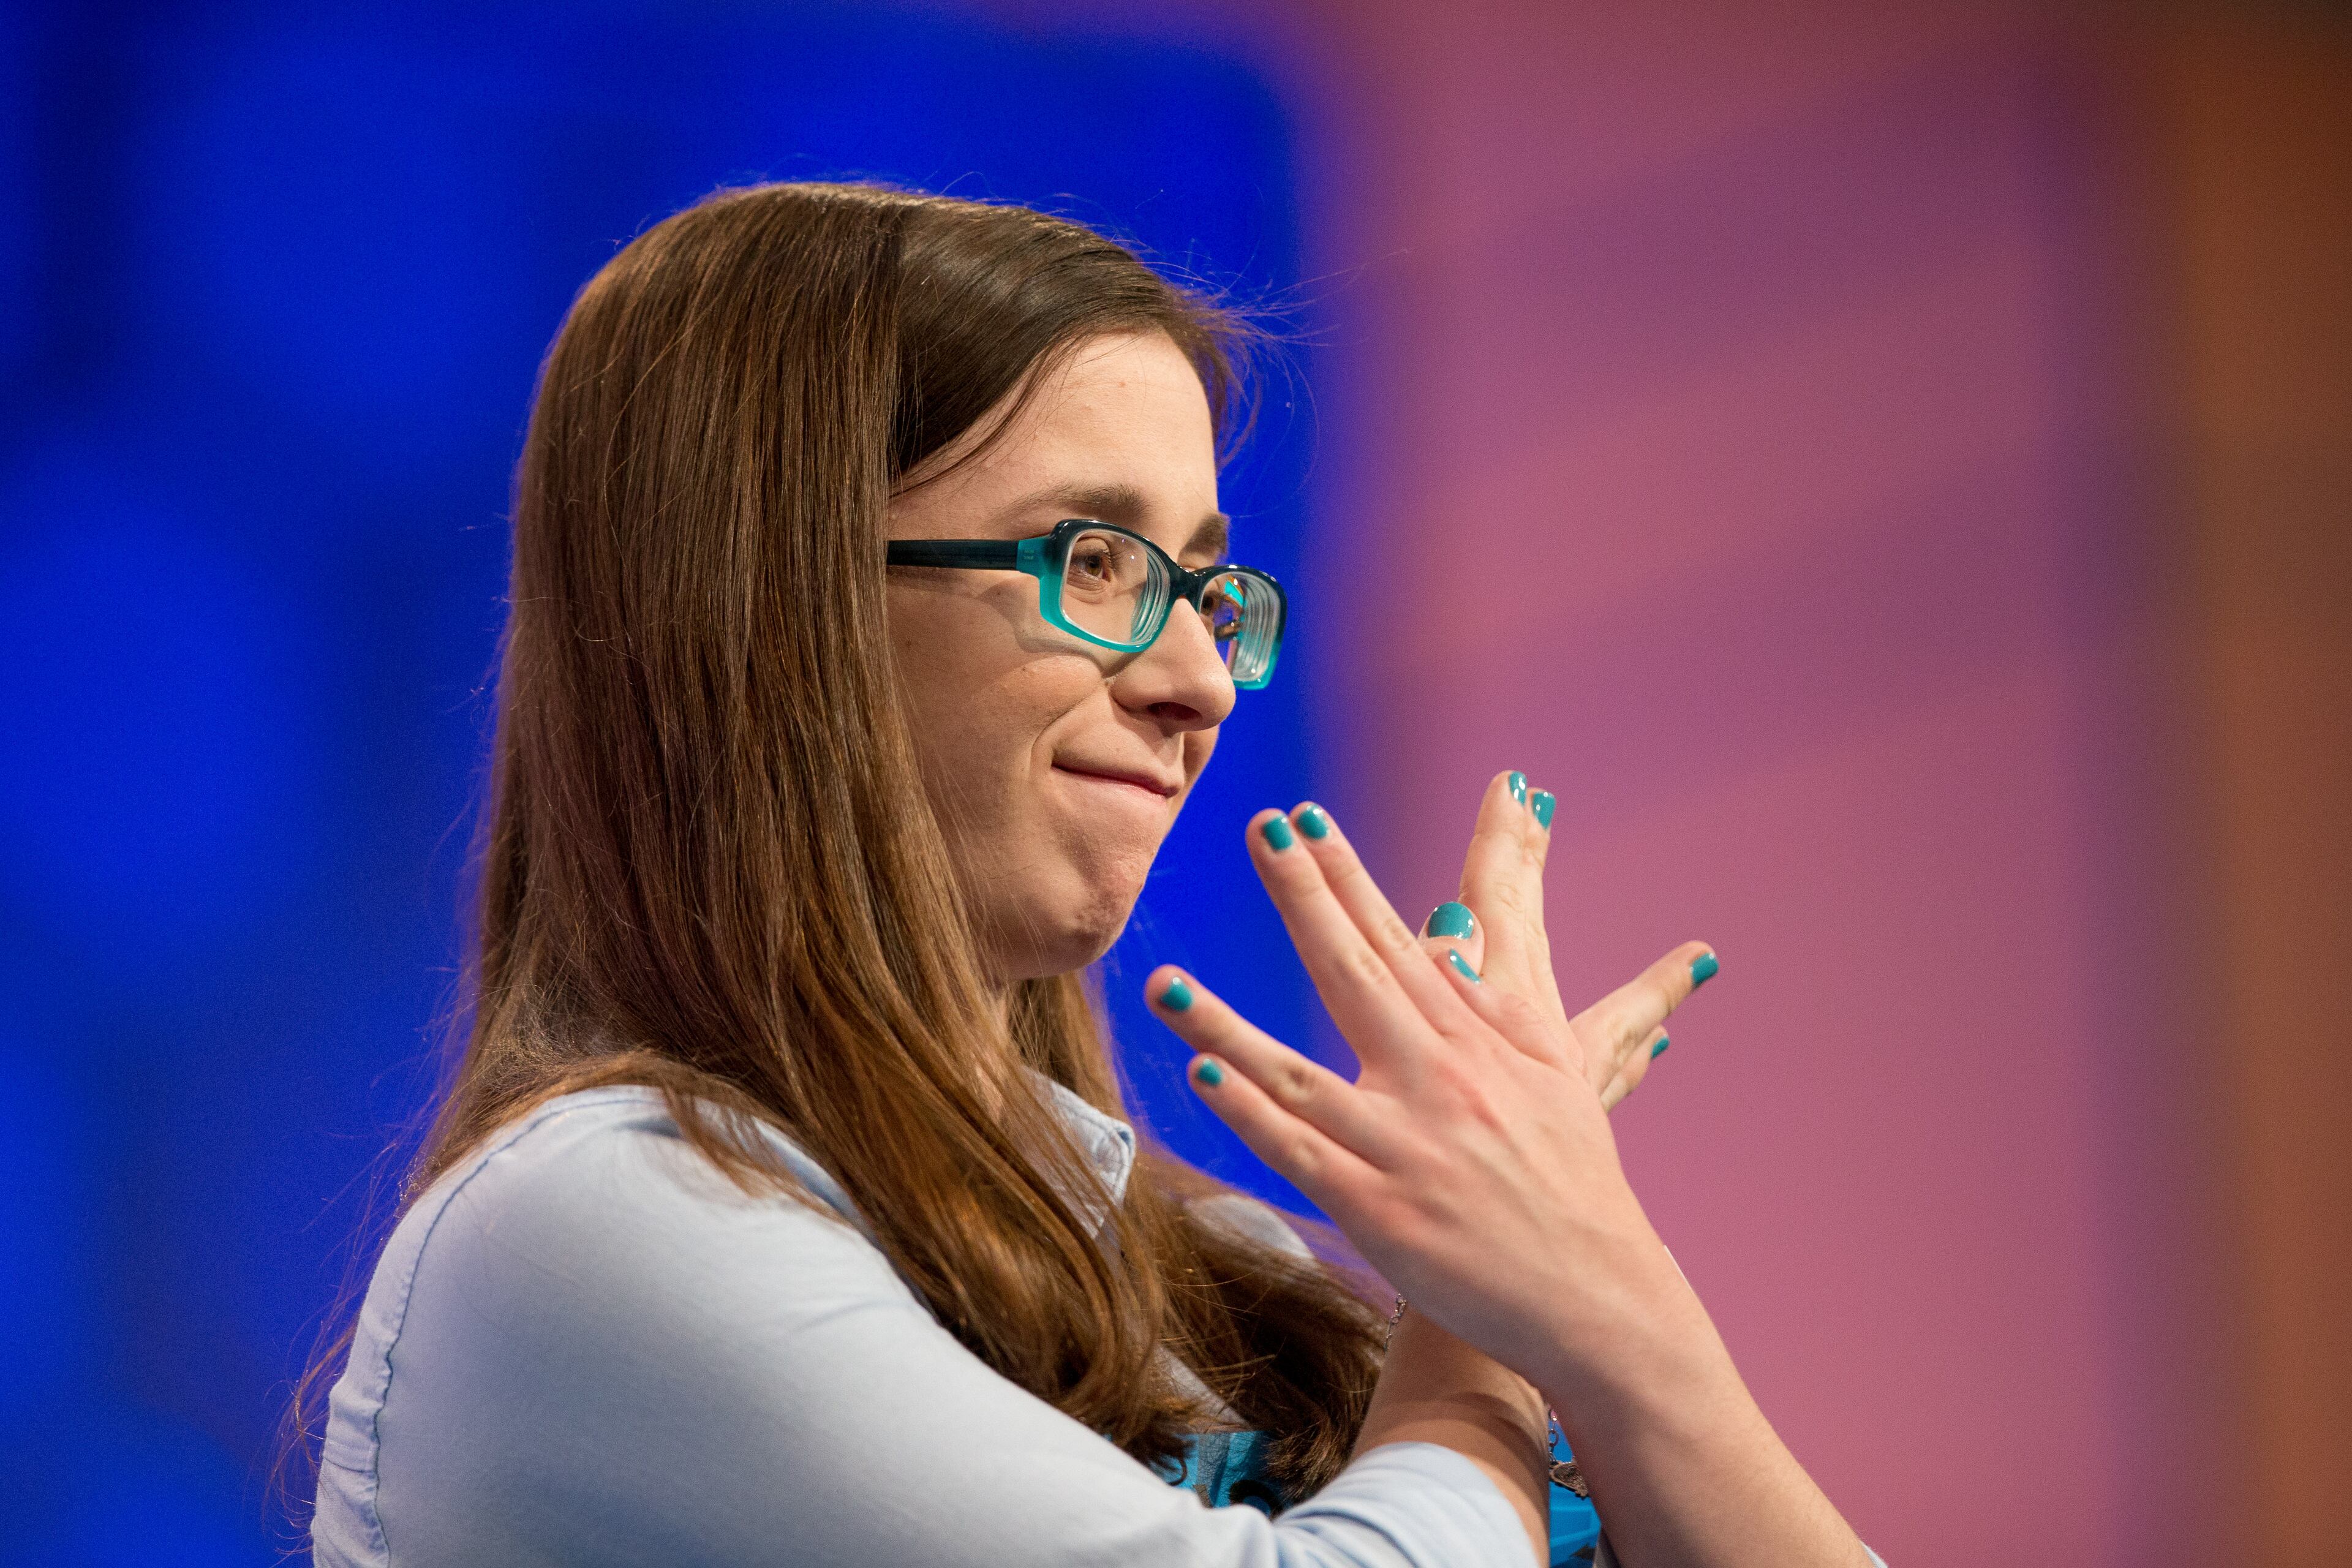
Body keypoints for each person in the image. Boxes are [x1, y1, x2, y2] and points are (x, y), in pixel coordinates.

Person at [303, 181, 1881, 1567]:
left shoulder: (1220, 1276)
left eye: (1207, 584)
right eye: (1099, 562)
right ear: (783, 612)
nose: (1202, 681)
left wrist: (1609, 1304)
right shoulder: (598, 1227)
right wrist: (1481, 1321)